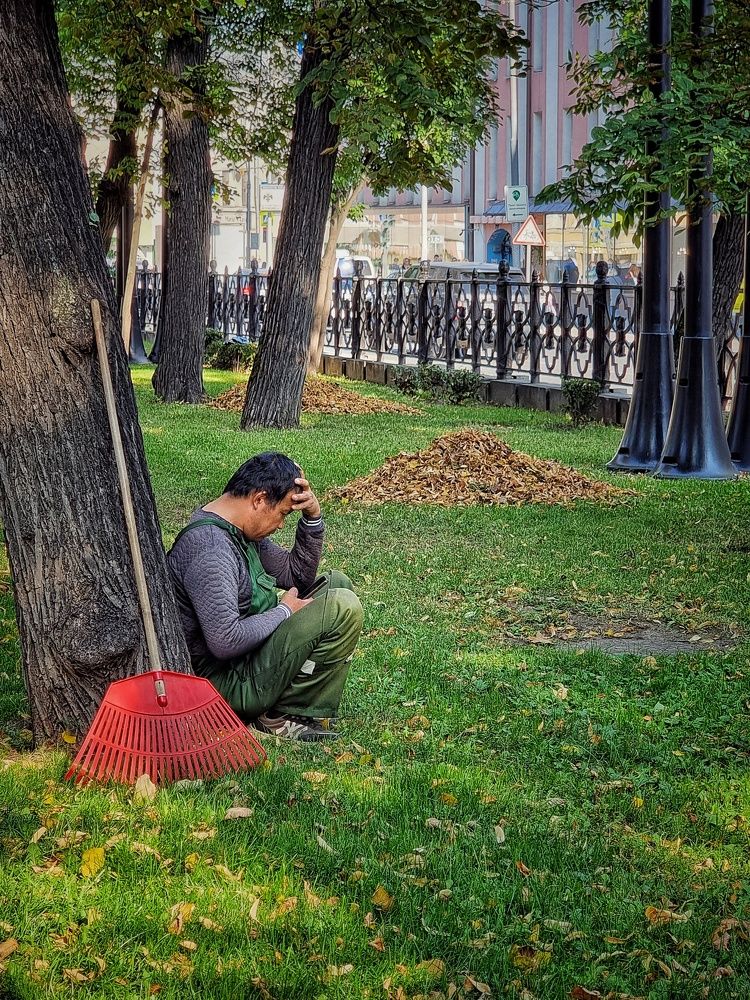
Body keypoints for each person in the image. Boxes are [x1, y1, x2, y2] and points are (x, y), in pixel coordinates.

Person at [167, 452, 363, 742]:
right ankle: (280, 716)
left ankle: (280, 707)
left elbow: (296, 576)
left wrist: (312, 518)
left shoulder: (238, 531)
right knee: (341, 607)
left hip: (246, 660)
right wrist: (284, 611)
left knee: (338, 584)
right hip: (224, 684)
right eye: (283, 513)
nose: (282, 523)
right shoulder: (210, 549)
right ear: (259, 499)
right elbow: (225, 640)